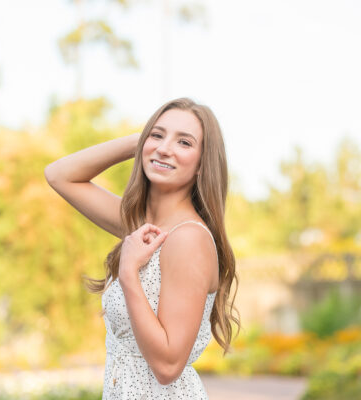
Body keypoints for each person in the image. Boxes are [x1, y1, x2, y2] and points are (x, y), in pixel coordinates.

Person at [44, 97, 239, 399]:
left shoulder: (188, 239)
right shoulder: (140, 226)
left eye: (184, 143)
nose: (165, 148)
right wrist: (142, 142)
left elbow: (168, 366)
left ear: (202, 164)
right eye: (158, 134)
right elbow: (59, 175)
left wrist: (129, 275)